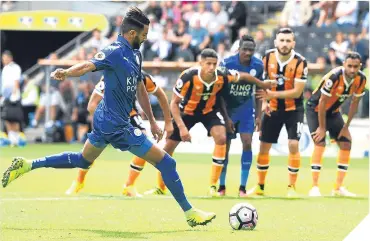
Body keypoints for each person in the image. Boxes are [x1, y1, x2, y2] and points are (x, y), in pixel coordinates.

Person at [1, 7, 216, 228]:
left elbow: (140, 88)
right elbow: (87, 65)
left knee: (83, 160)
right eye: (143, 34)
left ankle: (28, 165)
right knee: (167, 163)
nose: (146, 38)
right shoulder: (114, 51)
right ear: (132, 33)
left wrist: (152, 121)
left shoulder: (136, 54)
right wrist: (66, 72)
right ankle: (190, 213)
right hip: (116, 125)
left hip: (107, 121)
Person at [145, 48, 273, 197]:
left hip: (208, 112)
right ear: (201, 63)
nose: (212, 67)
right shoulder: (188, 76)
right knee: (167, 149)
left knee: (221, 138)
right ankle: (161, 187)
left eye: (214, 64)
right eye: (208, 64)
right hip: (186, 113)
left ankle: (213, 186)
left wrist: (262, 84)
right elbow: (174, 103)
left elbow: (244, 76)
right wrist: (182, 128)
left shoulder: (222, 74)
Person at [66, 71, 174, 197]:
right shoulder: (110, 76)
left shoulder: (142, 77)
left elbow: (161, 95)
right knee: (92, 151)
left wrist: (168, 121)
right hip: (108, 116)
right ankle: (78, 182)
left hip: (130, 115)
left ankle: (129, 186)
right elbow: (92, 105)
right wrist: (103, 122)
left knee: (145, 144)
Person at [250, 28, 308, 197]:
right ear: (276, 42)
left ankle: (292, 187)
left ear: (293, 43)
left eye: (288, 41)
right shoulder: (267, 57)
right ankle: (260, 186)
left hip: (293, 109)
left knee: (293, 144)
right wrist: (265, 103)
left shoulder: (300, 62)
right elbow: (261, 83)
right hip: (272, 108)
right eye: (281, 40)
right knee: (263, 147)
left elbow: (297, 92)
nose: (284, 44)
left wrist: (271, 94)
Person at [306, 52, 366, 197]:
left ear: (360, 66)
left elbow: (354, 103)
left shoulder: (361, 79)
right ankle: (314, 187)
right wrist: (322, 127)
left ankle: (337, 188)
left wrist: (346, 127)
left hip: (333, 112)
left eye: (355, 67)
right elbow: (321, 102)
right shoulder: (334, 76)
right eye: (349, 66)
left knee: (346, 143)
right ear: (344, 63)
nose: (352, 70)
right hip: (315, 109)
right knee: (320, 142)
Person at [217, 35, 264, 197]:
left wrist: (259, 115)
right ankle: (221, 186)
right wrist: (225, 117)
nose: (248, 52)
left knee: (247, 143)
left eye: (251, 50)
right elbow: (220, 93)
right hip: (228, 110)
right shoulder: (227, 63)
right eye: (245, 49)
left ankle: (242, 188)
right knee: (225, 147)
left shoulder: (258, 66)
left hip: (246, 110)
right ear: (239, 49)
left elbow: (259, 91)